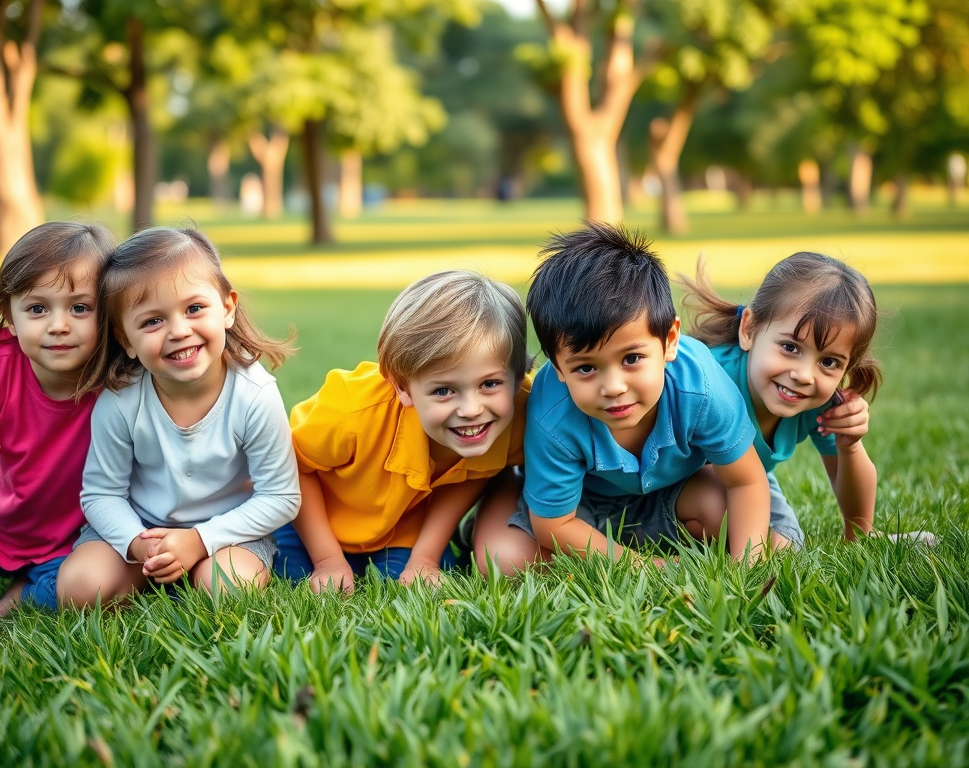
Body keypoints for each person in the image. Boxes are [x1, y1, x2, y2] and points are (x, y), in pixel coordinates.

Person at [472, 222, 770, 575]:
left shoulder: (700, 386)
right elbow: (554, 523)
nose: (613, 387)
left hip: (674, 493)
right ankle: (508, 506)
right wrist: (648, 567)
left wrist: (748, 569)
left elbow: (746, 480)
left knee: (755, 534)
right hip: (580, 505)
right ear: (558, 367)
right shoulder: (551, 415)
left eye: (631, 359)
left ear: (670, 340)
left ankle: (651, 538)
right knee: (504, 560)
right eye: (585, 368)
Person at [57, 227, 300, 608]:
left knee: (225, 590)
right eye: (152, 321)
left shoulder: (254, 395)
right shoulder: (120, 401)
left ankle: (200, 569)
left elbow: (281, 497)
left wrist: (199, 541)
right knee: (80, 587)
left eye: (194, 309)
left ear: (228, 308)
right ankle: (145, 576)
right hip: (141, 531)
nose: (179, 331)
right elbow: (102, 493)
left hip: (228, 533)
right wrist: (138, 543)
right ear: (126, 340)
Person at [272, 270, 532, 591]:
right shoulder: (351, 411)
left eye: (489, 384)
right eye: (443, 391)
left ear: (518, 374)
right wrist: (327, 560)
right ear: (402, 387)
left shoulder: (515, 414)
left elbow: (476, 473)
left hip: (402, 529)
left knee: (415, 582)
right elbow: (292, 465)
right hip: (311, 521)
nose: (471, 410)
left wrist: (425, 558)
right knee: (290, 574)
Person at [0, 221, 116, 624]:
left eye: (80, 307)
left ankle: (22, 595)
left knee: (85, 586)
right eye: (38, 308)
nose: (59, 325)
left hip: (68, 542)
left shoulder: (118, 377)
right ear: (10, 313)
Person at [679, 252, 896, 547]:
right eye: (790, 347)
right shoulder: (709, 378)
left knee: (791, 545)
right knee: (757, 535)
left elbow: (853, 504)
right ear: (748, 330)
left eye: (829, 362)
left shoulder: (820, 404)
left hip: (746, 482)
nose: (805, 375)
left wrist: (851, 446)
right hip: (676, 481)